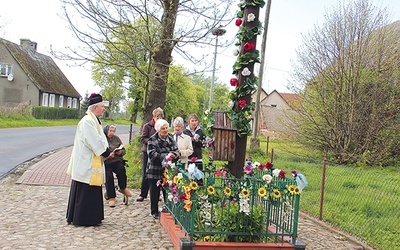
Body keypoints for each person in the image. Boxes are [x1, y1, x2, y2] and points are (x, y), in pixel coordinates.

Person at [66, 93, 114, 226]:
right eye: (102, 106)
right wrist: (106, 152)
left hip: (91, 160)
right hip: (86, 162)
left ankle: (93, 217)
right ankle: (84, 218)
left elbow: (100, 139)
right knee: (85, 188)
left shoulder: (94, 120)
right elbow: (93, 140)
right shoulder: (87, 121)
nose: (103, 109)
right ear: (95, 107)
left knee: (91, 189)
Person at [147, 119, 179, 219]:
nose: (165, 130)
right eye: (163, 129)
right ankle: (154, 211)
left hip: (167, 170)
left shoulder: (170, 138)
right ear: (158, 130)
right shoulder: (152, 139)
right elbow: (152, 154)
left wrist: (174, 154)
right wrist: (166, 156)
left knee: (168, 190)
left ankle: (168, 208)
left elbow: (176, 150)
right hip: (155, 169)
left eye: (166, 128)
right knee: (154, 192)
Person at [137, 107, 164, 202]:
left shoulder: (162, 127)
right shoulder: (147, 126)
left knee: (159, 174)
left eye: (160, 117)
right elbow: (142, 138)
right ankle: (143, 193)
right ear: (154, 117)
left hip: (159, 153)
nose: (158, 119)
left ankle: (157, 194)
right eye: (157, 117)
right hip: (148, 152)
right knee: (146, 173)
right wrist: (152, 142)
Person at [103, 124, 132, 207]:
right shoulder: (102, 139)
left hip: (116, 160)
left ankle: (122, 188)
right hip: (107, 162)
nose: (112, 133)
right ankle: (111, 197)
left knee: (121, 170)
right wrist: (108, 155)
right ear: (106, 131)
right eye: (110, 131)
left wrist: (120, 152)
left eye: (113, 131)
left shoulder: (116, 138)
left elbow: (123, 150)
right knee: (108, 177)